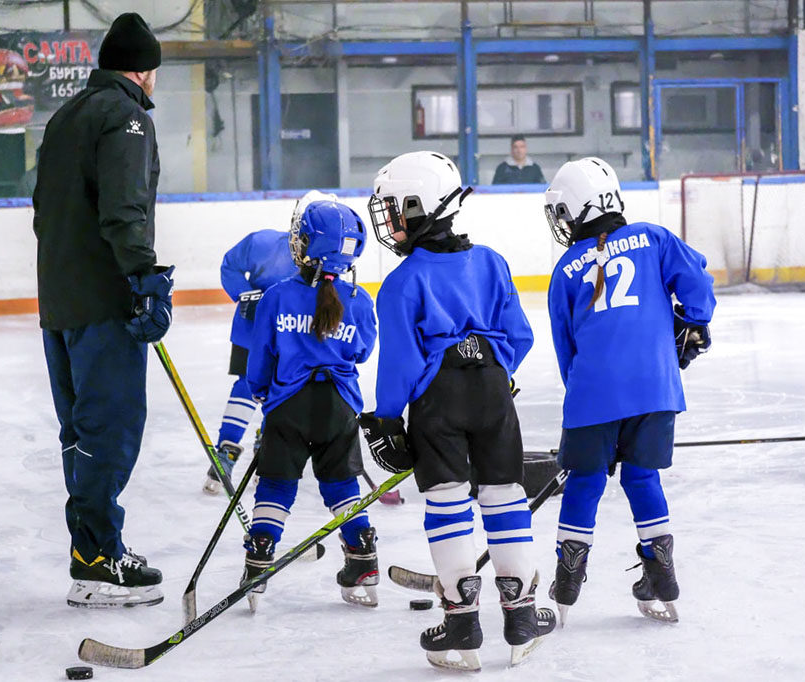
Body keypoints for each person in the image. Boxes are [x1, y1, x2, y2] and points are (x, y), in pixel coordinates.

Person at [361, 151, 555, 671]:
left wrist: (385, 419)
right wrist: (489, 367)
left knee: (447, 502)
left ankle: (462, 621)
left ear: (421, 206)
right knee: (505, 494)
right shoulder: (490, 262)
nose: (390, 220)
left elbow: (400, 362)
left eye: (396, 209)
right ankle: (520, 616)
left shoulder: (402, 281)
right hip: (493, 392)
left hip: (435, 401)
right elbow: (519, 336)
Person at [33, 13, 171, 608]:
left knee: (80, 434)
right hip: (102, 304)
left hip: (59, 306)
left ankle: (92, 547)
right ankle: (97, 560)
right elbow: (123, 209)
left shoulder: (65, 117)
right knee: (109, 430)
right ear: (143, 71)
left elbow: (42, 208)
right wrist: (143, 277)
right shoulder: (127, 118)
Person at [542, 157, 715, 626]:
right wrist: (694, 323)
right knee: (642, 479)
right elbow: (696, 283)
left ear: (578, 207)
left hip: (593, 395)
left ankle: (568, 580)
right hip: (656, 388)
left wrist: (589, 401)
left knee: (586, 481)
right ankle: (661, 577)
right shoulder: (655, 238)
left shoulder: (565, 268)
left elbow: (566, 348)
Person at [239, 200, 379, 610]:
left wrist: (261, 390)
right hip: (339, 408)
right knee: (341, 485)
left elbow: (260, 357)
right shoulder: (359, 299)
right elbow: (363, 351)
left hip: (288, 406)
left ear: (306, 245)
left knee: (276, 484)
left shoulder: (278, 296)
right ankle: (362, 556)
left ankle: (260, 554)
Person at [202, 190, 336, 495]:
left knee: (283, 392)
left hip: (291, 337)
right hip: (252, 333)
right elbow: (230, 264)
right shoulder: (263, 243)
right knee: (248, 385)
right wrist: (244, 293)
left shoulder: (328, 263)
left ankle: (268, 446)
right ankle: (227, 450)